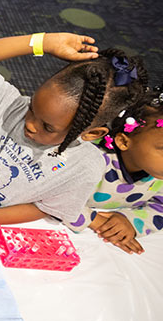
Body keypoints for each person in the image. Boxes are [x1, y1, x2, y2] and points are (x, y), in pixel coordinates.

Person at [0, 32, 148, 230]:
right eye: (32, 107)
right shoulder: (9, 105)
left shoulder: (85, 166)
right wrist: (42, 42)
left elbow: (45, 207)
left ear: (92, 134)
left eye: (48, 127)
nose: (31, 124)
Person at [66, 92, 163, 254]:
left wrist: (129, 221)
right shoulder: (90, 159)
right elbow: (52, 192)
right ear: (124, 141)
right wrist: (93, 220)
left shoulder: (158, 173)